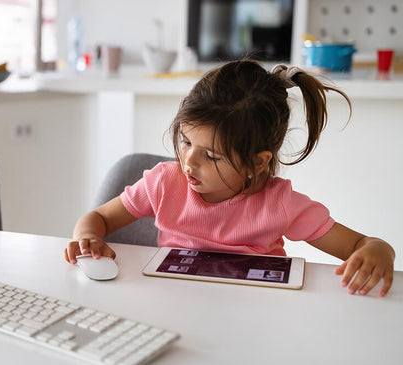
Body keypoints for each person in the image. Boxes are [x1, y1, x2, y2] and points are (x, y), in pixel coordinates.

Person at [64, 59, 395, 297]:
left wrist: (379, 251)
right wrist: (88, 237)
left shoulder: (280, 203)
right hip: (173, 304)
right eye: (186, 141)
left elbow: (360, 245)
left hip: (253, 316)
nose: (188, 162)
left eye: (211, 155)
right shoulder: (164, 183)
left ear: (256, 162)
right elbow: (96, 218)